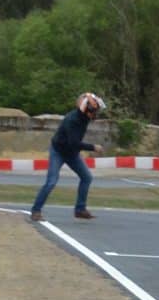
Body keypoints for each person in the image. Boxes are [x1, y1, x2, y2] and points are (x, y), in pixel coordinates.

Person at [28, 91, 103, 222]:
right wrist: (93, 147)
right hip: (58, 151)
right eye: (94, 111)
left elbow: (74, 145)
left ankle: (80, 209)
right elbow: (74, 143)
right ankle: (36, 210)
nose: (95, 114)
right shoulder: (72, 120)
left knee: (87, 177)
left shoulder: (84, 118)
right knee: (51, 182)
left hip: (72, 153)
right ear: (86, 109)